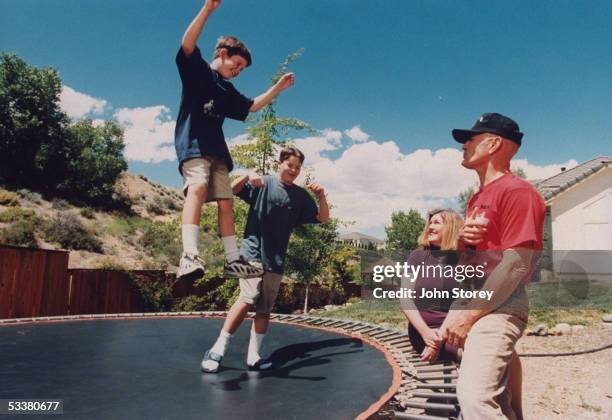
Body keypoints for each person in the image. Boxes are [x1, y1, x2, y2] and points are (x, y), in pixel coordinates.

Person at [175, 0, 295, 280]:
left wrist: (277, 87)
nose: (238, 71)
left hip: (218, 153)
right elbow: (188, 44)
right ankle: (189, 254)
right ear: (222, 54)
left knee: (226, 201)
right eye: (237, 64)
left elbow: (252, 106)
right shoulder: (199, 73)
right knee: (197, 187)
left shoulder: (227, 91)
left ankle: (232, 260)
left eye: (242, 69)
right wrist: (207, 10)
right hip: (193, 146)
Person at [440, 113, 546, 420]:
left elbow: (515, 264)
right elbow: (466, 262)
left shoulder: (518, 191)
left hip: (499, 303)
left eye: (471, 139)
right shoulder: (479, 197)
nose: (465, 145)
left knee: (475, 400)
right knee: (491, 397)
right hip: (473, 295)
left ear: (494, 142)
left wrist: (469, 316)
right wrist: (461, 241)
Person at [201, 147, 330, 373]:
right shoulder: (263, 183)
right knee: (248, 297)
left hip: (276, 259)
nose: (294, 170)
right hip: (251, 253)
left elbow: (323, 219)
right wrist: (247, 175)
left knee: (264, 309)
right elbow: (228, 191)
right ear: (279, 163)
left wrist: (321, 196)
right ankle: (217, 349)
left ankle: (254, 357)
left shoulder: (300, 197)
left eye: (298, 167)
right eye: (290, 165)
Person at [401, 209, 463, 362]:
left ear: (451, 227)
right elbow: (405, 299)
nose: (429, 227)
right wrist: (426, 333)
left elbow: (462, 302)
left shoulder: (463, 257)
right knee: (471, 357)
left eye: (436, 223)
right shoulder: (418, 255)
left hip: (455, 328)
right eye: (429, 223)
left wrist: (438, 340)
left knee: (488, 352)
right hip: (423, 330)